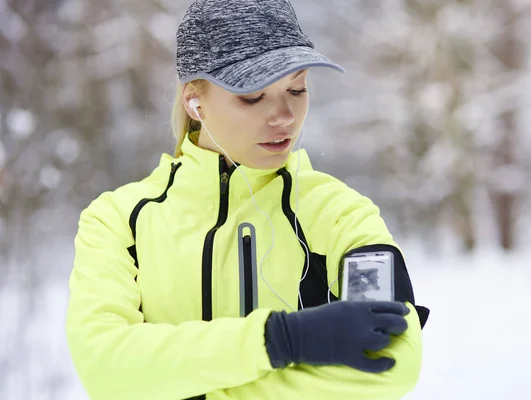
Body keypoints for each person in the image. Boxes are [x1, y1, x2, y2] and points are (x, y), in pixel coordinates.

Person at [66, 0, 429, 399]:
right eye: (253, 96)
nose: (285, 115)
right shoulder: (118, 220)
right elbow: (105, 368)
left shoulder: (339, 213)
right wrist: (283, 340)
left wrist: (176, 383)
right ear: (194, 101)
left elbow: (393, 361)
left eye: (297, 88)